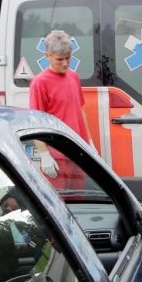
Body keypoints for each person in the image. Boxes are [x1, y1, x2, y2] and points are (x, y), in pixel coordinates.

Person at [29, 30, 96, 184]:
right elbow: (35, 122)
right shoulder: (40, 83)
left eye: (68, 58)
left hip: (77, 152)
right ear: (47, 56)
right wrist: (44, 155)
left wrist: (89, 142)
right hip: (56, 156)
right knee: (58, 203)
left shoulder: (73, 77)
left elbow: (81, 110)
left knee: (78, 200)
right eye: (59, 59)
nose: (65, 63)